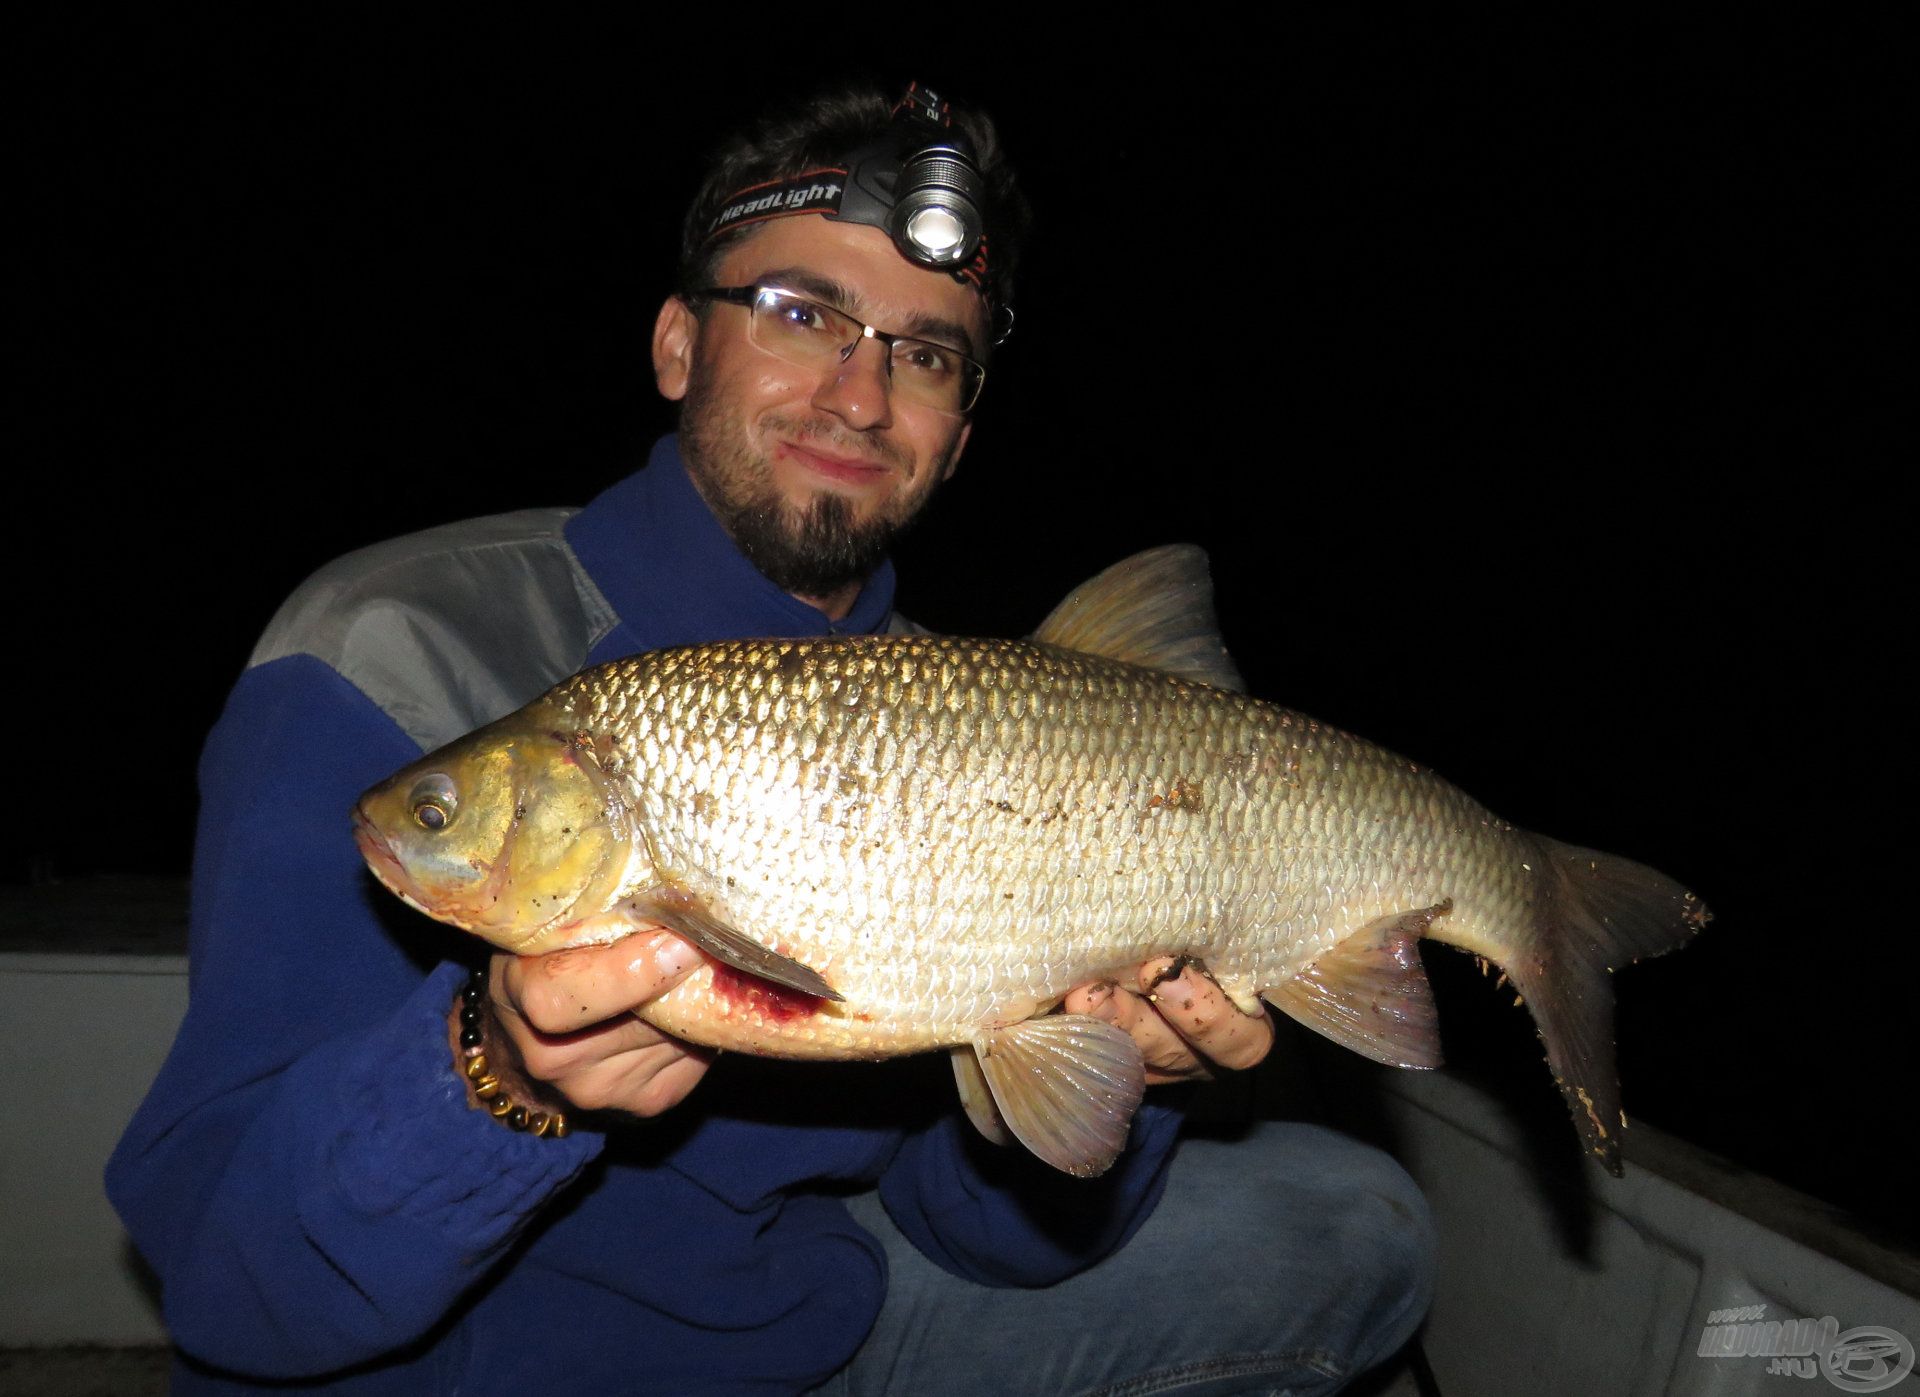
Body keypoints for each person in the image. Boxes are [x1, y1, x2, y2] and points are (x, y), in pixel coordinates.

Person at [108, 83, 1435, 1394]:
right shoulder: (390, 647)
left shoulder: (960, 715)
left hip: (790, 1340)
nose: (860, 397)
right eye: (803, 314)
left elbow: (975, 1227)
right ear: (679, 343)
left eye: (923, 353)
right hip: (439, 1366)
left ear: (959, 437)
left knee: (1347, 1222)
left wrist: (1134, 1073)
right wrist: (496, 1079)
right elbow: (228, 1287)